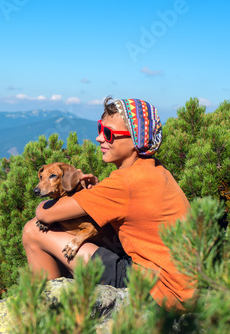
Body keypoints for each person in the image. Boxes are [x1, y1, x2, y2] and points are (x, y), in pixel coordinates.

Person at [22, 97, 195, 312]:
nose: (98, 137)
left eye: (109, 133)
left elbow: (46, 215)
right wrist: (97, 193)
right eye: (100, 128)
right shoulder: (154, 169)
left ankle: (49, 315)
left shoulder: (124, 182)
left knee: (32, 230)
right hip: (179, 282)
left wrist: (47, 203)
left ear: (135, 141)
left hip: (158, 289)